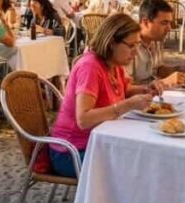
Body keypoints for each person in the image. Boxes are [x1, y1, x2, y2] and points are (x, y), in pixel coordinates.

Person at [49, 14, 164, 177]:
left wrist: (146, 89)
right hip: (72, 152)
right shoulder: (90, 67)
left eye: (137, 45)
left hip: (100, 142)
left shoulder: (113, 64)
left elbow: (124, 90)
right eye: (131, 46)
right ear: (111, 43)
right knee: (140, 165)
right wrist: (128, 105)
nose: (136, 52)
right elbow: (83, 119)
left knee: (149, 155)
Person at [133, 0, 185, 84]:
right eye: (164, 23)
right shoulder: (129, 45)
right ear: (145, 22)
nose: (169, 29)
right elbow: (125, 88)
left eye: (170, 23)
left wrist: (177, 69)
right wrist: (165, 82)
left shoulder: (156, 39)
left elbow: (157, 70)